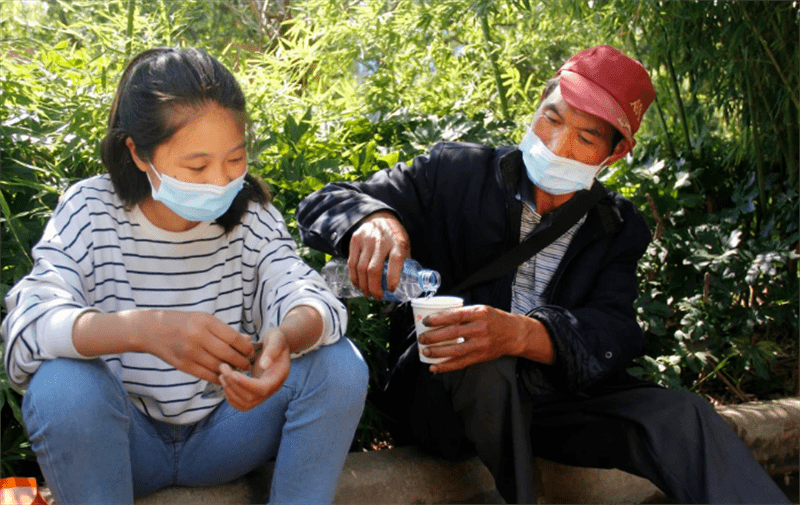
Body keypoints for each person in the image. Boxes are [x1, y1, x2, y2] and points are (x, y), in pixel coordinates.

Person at [296, 45, 790, 504]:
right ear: (538, 106)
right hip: (445, 402)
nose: (556, 144)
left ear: (614, 153)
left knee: (684, 417)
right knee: (474, 348)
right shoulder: (455, 173)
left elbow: (612, 329)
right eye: (551, 119)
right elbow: (323, 203)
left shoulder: (615, 226)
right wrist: (372, 218)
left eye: (585, 137)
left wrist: (525, 336)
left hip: (552, 404)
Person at [1, 47, 368, 505]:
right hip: (124, 445)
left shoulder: (251, 215)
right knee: (64, 388)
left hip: (230, 431)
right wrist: (143, 329)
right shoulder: (90, 210)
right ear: (138, 153)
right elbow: (24, 332)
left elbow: (305, 292)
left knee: (338, 366)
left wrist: (286, 339)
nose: (219, 182)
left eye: (235, 160)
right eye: (196, 167)